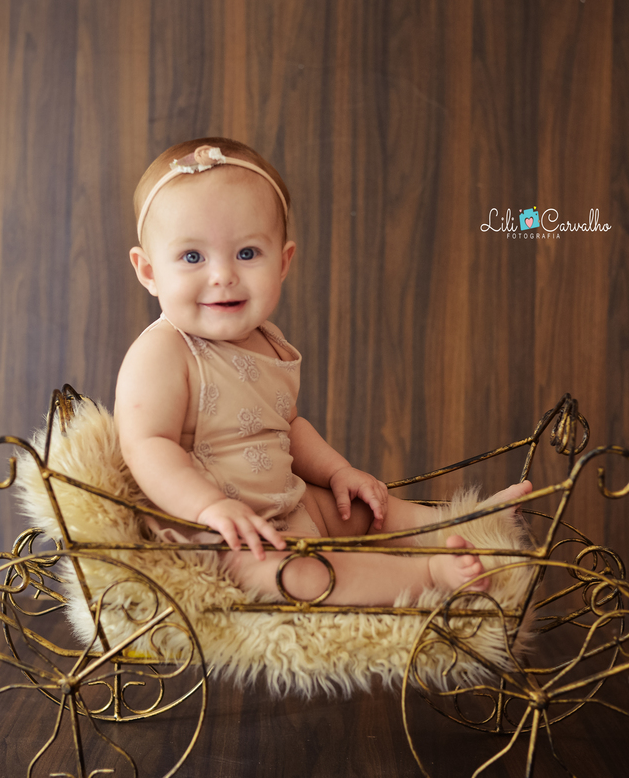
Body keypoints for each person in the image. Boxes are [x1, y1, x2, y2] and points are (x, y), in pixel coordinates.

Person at [115, 137, 531, 605]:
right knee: (304, 577)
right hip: (223, 539)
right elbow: (147, 445)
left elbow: (288, 426)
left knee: (367, 510)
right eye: (193, 257)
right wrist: (210, 508)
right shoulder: (164, 352)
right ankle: (429, 574)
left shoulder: (269, 341)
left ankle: (464, 525)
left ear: (284, 262)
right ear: (149, 271)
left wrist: (337, 471)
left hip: (291, 503)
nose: (222, 276)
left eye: (247, 254)